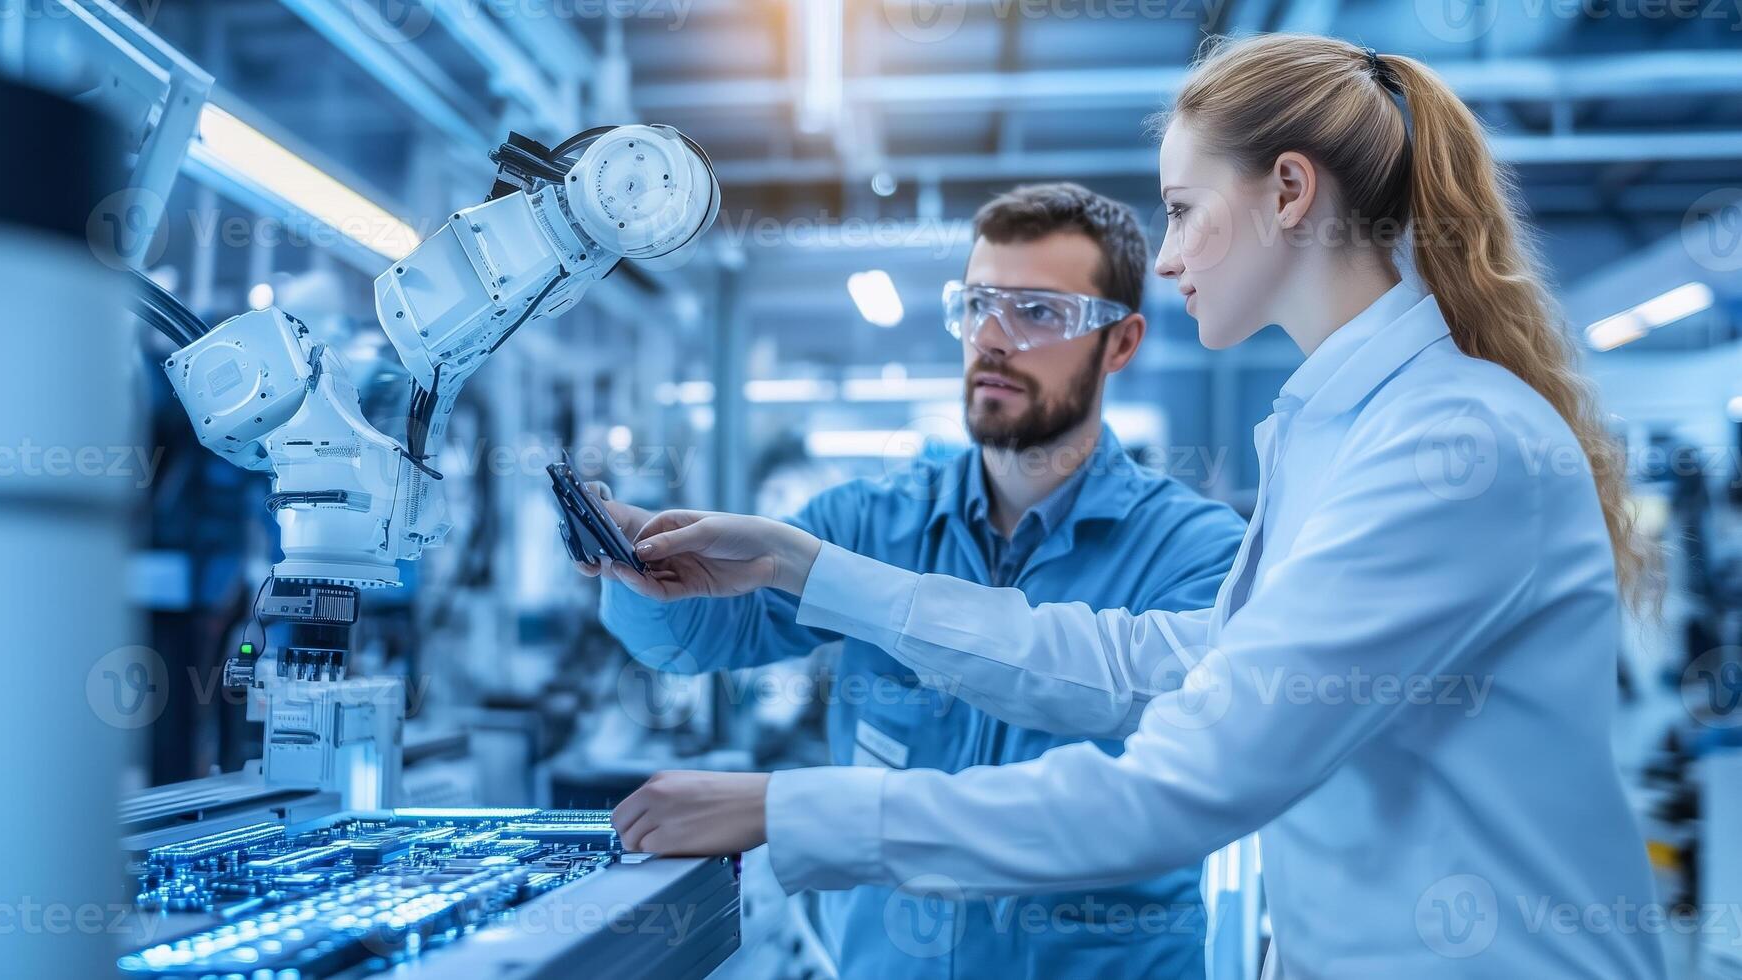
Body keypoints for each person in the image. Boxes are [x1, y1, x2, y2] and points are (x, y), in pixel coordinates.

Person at [597, 35, 1670, 978]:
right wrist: (802, 564)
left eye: (1185, 210)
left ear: (1289, 191)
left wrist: (788, 809)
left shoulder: (1449, 445)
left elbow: (1181, 783)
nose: (1167, 255)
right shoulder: (1335, 432)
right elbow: (1146, 666)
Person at [590, 184, 1247, 977]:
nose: (992, 339)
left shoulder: (1194, 555)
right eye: (977, 305)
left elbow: (1142, 807)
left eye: (1038, 312)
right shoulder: (869, 522)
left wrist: (787, 808)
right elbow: (692, 642)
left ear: (1120, 342)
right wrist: (639, 563)